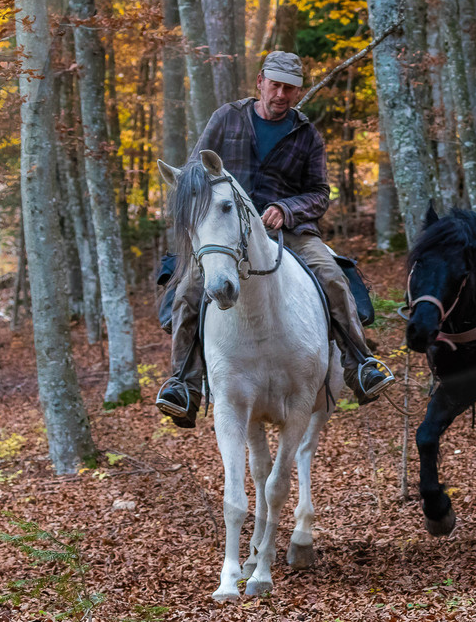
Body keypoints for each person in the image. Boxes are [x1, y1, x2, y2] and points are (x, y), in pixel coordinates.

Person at [155, 51, 397, 427]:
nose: (281, 93)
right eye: (276, 84)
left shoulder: (306, 134)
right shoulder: (226, 118)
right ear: (260, 83)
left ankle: (360, 365)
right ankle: (184, 386)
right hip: (226, 231)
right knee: (187, 293)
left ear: (298, 92)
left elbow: (319, 192)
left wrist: (287, 209)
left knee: (332, 277)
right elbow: (194, 174)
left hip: (289, 232)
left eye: (290, 88)